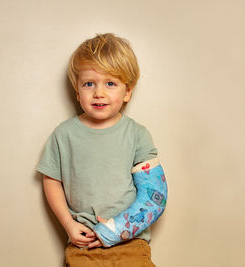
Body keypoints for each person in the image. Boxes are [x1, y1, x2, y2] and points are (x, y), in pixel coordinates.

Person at [37, 33, 166, 266]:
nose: (99, 93)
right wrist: (68, 224)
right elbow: (51, 181)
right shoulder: (63, 135)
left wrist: (116, 230)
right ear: (77, 91)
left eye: (110, 83)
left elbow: (154, 197)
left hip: (130, 242)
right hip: (84, 242)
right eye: (89, 84)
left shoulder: (137, 135)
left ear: (127, 92)